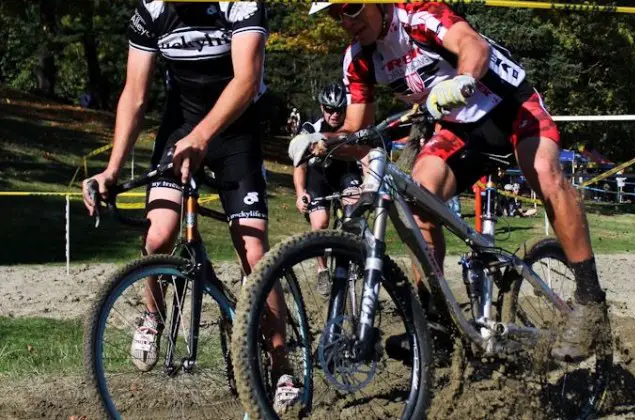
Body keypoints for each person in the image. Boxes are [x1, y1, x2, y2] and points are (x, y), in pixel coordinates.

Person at [293, 2, 608, 362]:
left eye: (351, 9)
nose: (346, 22)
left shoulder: (418, 15)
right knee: (418, 203)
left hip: (509, 106)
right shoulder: (359, 59)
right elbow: (359, 134)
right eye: (336, 16)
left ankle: (589, 300)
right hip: (460, 127)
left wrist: (465, 78)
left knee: (546, 175)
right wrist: (322, 143)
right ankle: (437, 324)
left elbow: (474, 45)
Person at [80, 1, 300, 412]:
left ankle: (282, 364)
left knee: (253, 251)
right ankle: (153, 315)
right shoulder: (152, 9)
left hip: (236, 130)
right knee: (160, 233)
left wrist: (203, 137)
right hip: (180, 125)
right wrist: (111, 169)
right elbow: (135, 93)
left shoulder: (241, 3)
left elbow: (247, 80)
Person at [293, 81, 362, 295]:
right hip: (318, 178)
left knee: (354, 204)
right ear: (322, 108)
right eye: (329, 109)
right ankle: (322, 270)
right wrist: (300, 193)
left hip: (345, 172)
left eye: (339, 110)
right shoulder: (310, 128)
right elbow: (299, 165)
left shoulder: (353, 124)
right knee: (320, 222)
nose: (334, 115)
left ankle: (354, 251)